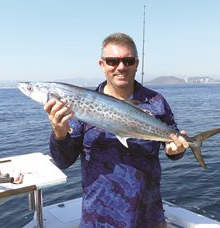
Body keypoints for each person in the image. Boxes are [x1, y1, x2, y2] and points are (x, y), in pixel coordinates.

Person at [44, 33, 189, 228]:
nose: (121, 67)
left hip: (148, 217)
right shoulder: (81, 105)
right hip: (99, 218)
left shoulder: (156, 102)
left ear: (136, 64)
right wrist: (59, 133)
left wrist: (177, 151)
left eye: (128, 61)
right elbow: (63, 161)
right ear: (102, 64)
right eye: (113, 61)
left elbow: (173, 145)